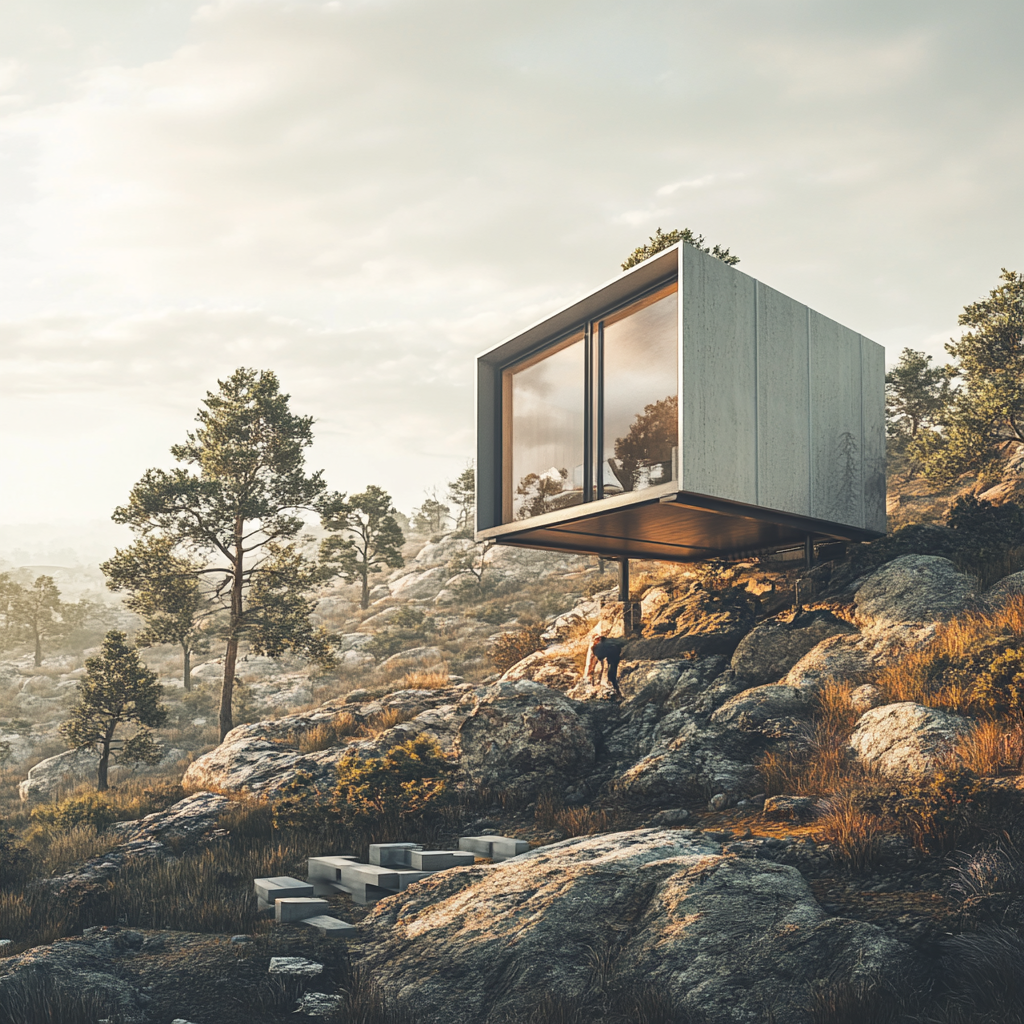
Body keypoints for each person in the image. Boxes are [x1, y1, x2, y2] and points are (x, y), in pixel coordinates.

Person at [584, 632, 625, 698]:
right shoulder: (609, 641)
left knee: (612, 676)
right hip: (615, 656)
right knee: (611, 675)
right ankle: (618, 692)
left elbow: (600, 657)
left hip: (615, 658)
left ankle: (618, 693)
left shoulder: (598, 647)